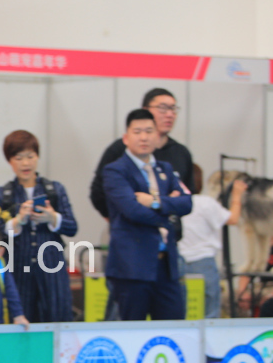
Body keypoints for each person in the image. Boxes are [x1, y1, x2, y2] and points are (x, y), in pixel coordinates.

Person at [103, 109, 192, 321]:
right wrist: (168, 213)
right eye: (137, 132)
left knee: (173, 328)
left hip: (166, 265)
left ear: (157, 136)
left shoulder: (165, 169)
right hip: (132, 267)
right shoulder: (115, 171)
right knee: (133, 331)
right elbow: (133, 210)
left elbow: (187, 203)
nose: (144, 137)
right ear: (126, 138)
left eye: (149, 131)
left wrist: (155, 201)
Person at [0, 130, 77, 323]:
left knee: (57, 322)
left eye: (30, 156)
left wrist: (52, 218)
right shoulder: (3, 194)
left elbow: (72, 227)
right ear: (9, 161)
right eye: (19, 158)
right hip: (18, 269)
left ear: (38, 157)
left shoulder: (54, 189)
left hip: (52, 268)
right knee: (20, 324)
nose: (26, 163)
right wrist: (17, 221)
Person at [89, 88, 194, 219]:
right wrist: (117, 219)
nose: (169, 114)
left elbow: (187, 200)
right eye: (162, 108)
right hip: (131, 227)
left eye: (173, 109)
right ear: (146, 110)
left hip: (172, 229)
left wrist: (155, 202)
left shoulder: (180, 153)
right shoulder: (119, 150)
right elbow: (100, 194)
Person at [178, 164, 246, 319]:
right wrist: (237, 195)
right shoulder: (205, 203)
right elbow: (233, 219)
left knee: (183, 310)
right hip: (203, 261)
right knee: (210, 312)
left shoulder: (173, 203)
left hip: (178, 261)